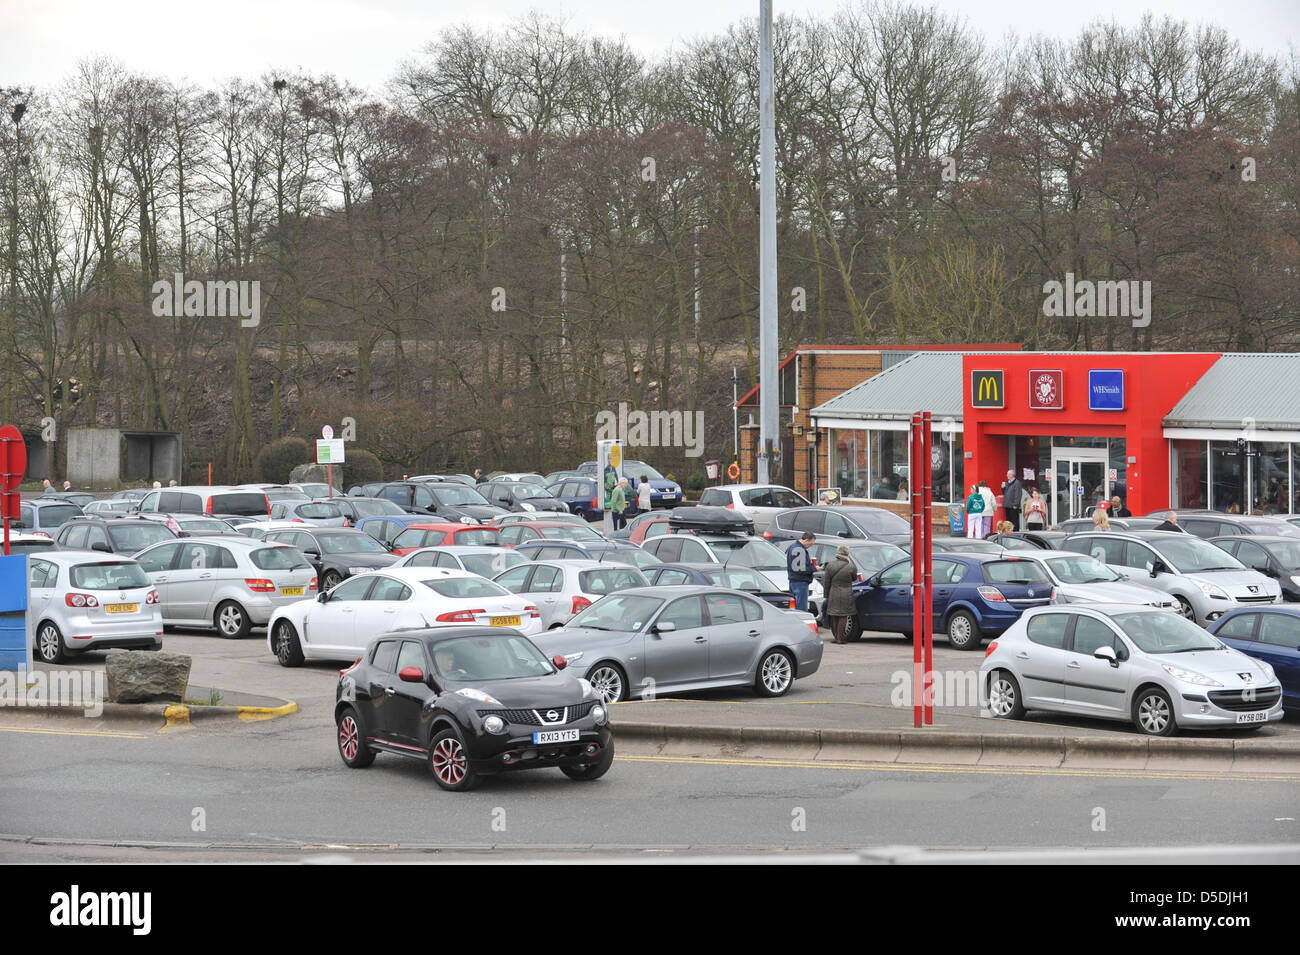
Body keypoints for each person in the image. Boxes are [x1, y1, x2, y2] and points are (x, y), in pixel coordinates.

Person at [822, 545, 857, 645]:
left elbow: (827, 582)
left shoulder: (830, 565)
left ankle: (836, 637)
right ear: (847, 553)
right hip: (846, 593)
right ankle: (840, 639)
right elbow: (854, 578)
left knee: (834, 615)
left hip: (833, 593)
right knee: (843, 616)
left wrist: (826, 596)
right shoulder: (851, 566)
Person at [786, 531, 816, 613]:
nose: (810, 546)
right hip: (800, 583)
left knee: (794, 609)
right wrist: (814, 568)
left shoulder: (792, 546)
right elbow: (800, 569)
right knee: (801, 610)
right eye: (811, 543)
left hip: (793, 581)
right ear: (806, 540)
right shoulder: (799, 549)